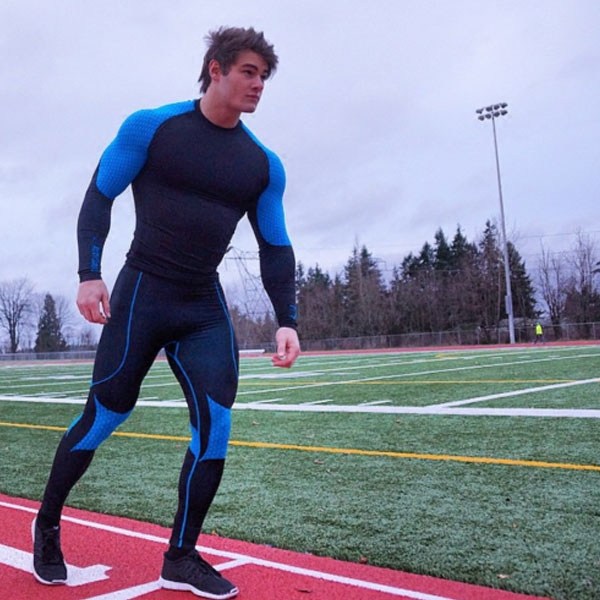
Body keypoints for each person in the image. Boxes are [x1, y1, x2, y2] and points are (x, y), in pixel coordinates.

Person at [32, 26, 300, 599]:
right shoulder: (152, 127)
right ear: (215, 69)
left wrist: (287, 318)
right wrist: (88, 273)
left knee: (216, 426)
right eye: (248, 72)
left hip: (202, 305)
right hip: (143, 295)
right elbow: (99, 194)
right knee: (105, 416)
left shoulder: (262, 164)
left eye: (264, 76)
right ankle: (47, 525)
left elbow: (276, 246)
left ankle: (180, 556)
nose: (258, 84)